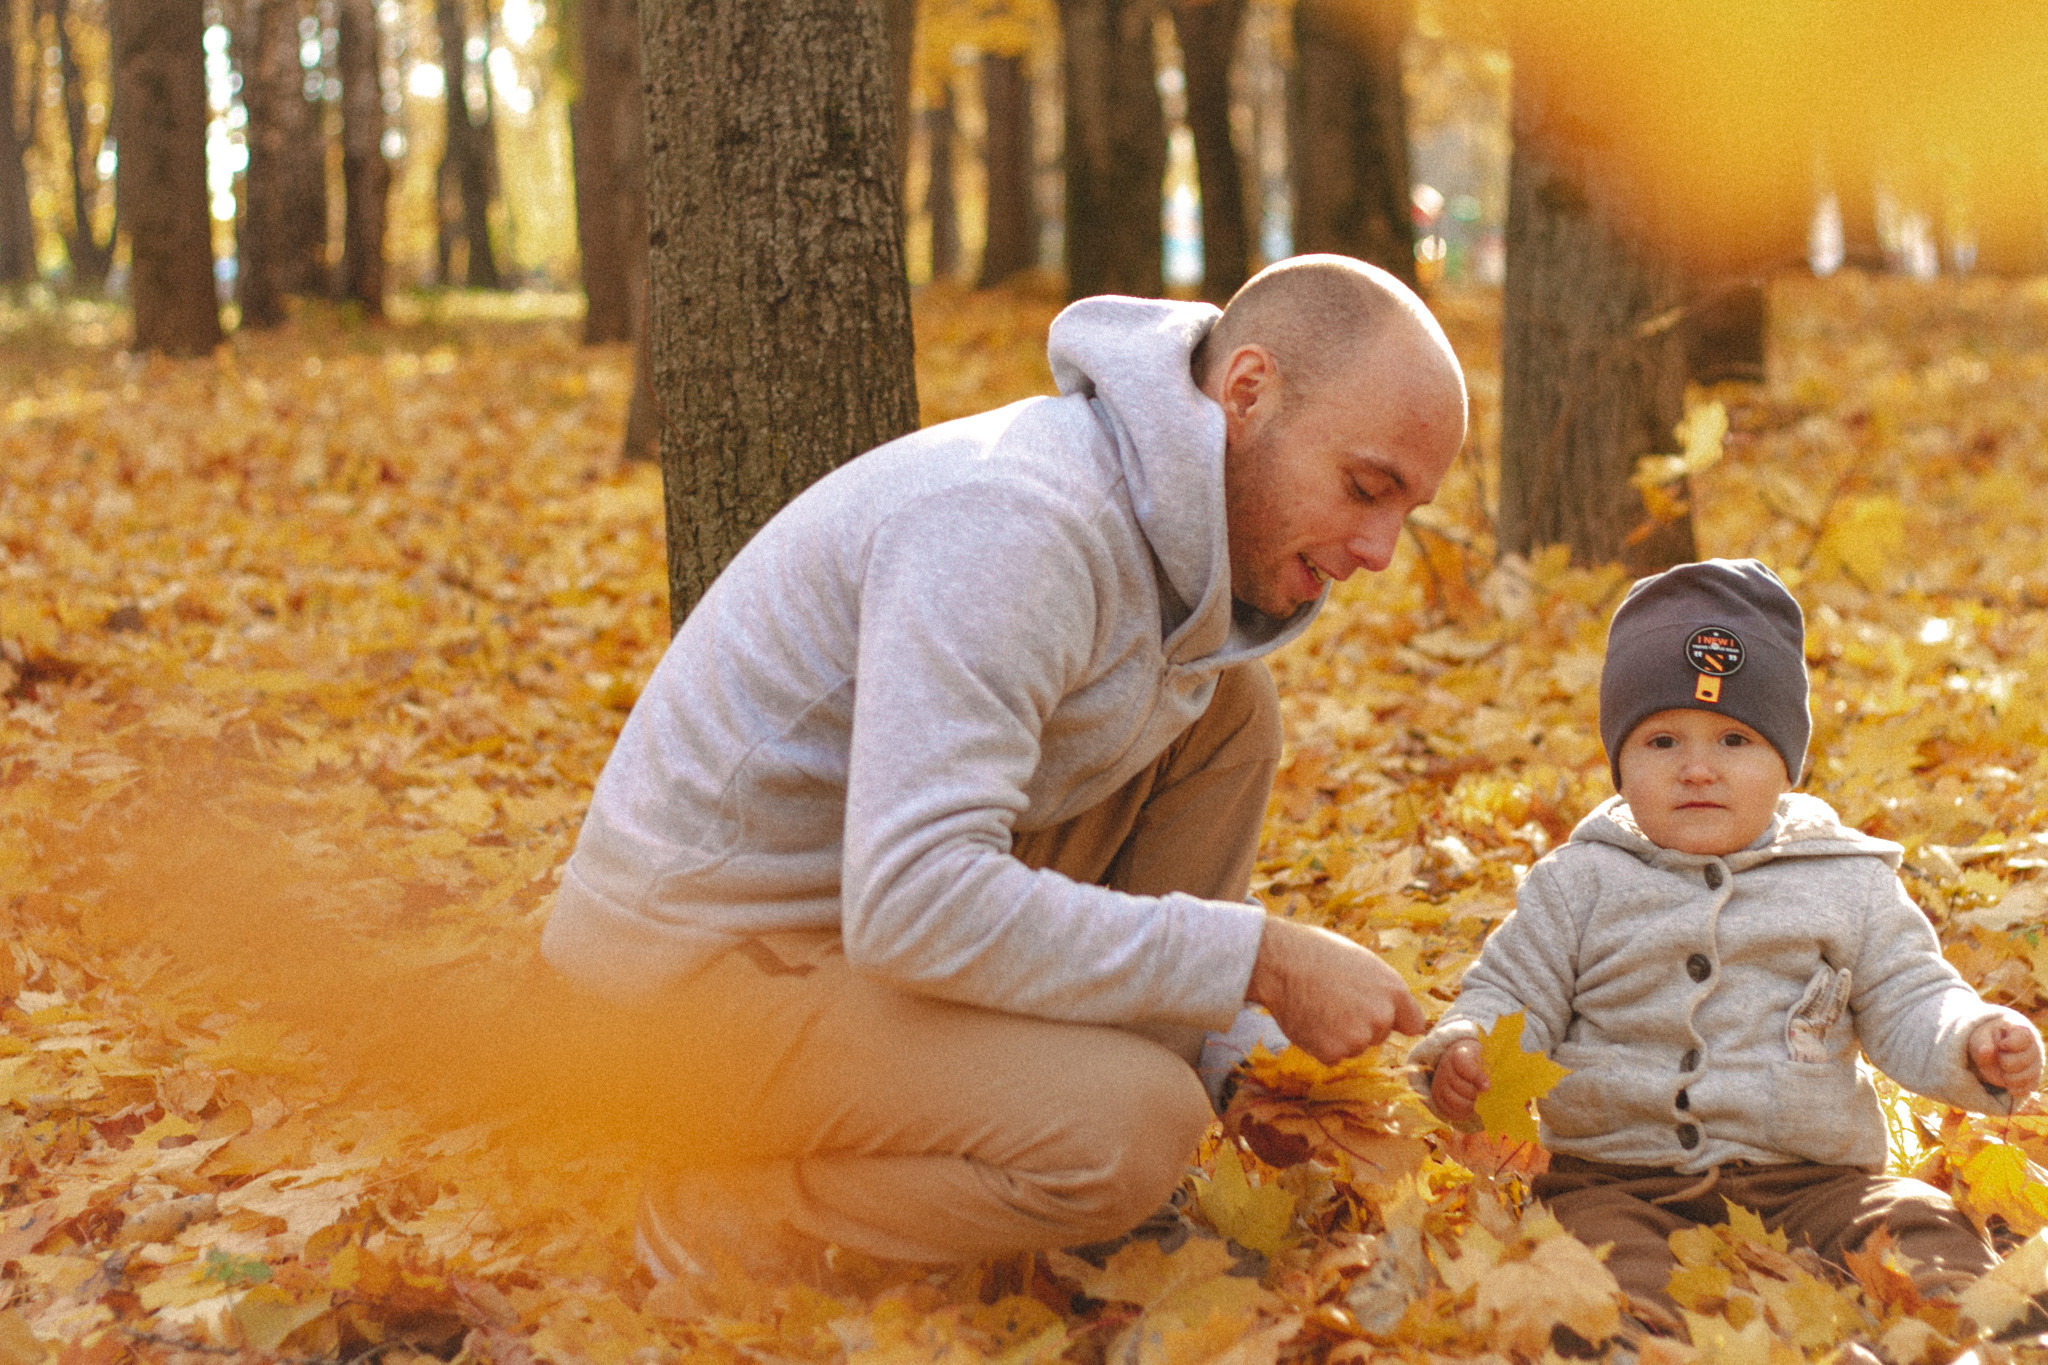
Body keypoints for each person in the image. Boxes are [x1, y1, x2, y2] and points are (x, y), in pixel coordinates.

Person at [539, 255, 1467, 1286]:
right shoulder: (1013, 525)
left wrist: (1309, 1061)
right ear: (1245, 393)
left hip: (833, 934)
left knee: (1225, 715)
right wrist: (1264, 961)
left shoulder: (1157, 572)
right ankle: (724, 1221)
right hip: (674, 990)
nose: (1380, 550)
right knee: (1131, 1127)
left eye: (1405, 511)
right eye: (1364, 488)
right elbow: (913, 902)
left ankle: (1100, 1182)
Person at [1412, 558, 2044, 1326]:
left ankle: (1976, 1326)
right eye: (1663, 741)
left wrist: (1971, 1038)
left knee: (1915, 1224)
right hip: (1618, 1178)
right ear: (1620, 762)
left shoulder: (1846, 880)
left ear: (1787, 762)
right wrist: (1467, 1049)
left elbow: (1912, 994)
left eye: (1736, 739)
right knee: (1597, 1263)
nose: (1698, 768)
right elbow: (1511, 993)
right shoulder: (1578, 882)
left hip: (1810, 1178)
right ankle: (1630, 1339)